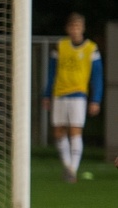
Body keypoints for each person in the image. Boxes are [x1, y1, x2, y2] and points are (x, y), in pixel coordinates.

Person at [42, 12, 103, 183]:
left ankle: (72, 170)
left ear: (82, 28)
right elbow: (52, 72)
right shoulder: (60, 46)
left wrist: (96, 99)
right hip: (59, 94)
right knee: (59, 132)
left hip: (78, 95)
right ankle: (68, 166)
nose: (75, 30)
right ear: (68, 28)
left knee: (75, 131)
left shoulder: (91, 48)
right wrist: (47, 94)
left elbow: (97, 76)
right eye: (72, 27)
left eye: (78, 27)